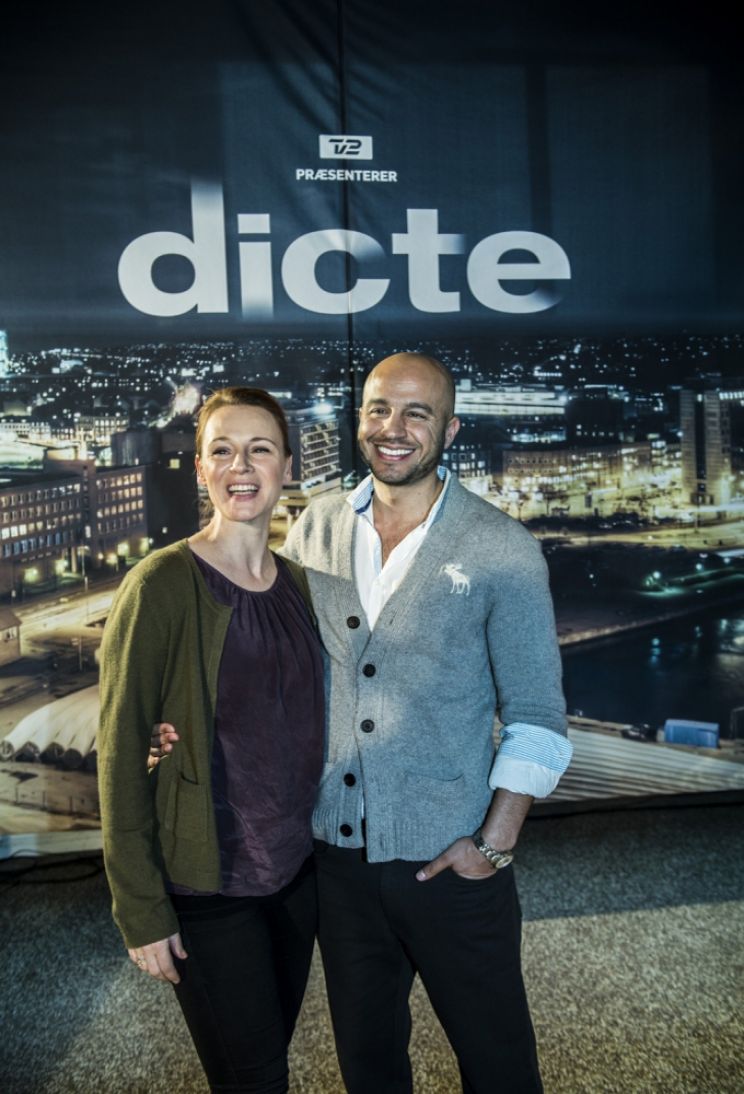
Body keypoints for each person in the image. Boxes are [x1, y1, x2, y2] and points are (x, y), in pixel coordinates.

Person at [155, 353, 571, 1093]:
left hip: (453, 862)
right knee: (369, 1066)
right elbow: (273, 661)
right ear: (359, 420)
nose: (394, 428)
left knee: (499, 1064)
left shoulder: (501, 548)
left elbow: (537, 716)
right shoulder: (314, 527)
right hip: (338, 866)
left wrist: (493, 844)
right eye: (379, 408)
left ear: (451, 429)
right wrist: (180, 726)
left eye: (417, 413)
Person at [98, 387, 325, 1094]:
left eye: (260, 449)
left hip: (296, 874)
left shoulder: (301, 587)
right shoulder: (162, 584)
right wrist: (140, 909)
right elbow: (120, 754)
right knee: (256, 1078)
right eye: (221, 450)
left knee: (269, 1057)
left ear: (287, 466)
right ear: (200, 469)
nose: (241, 467)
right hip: (209, 882)